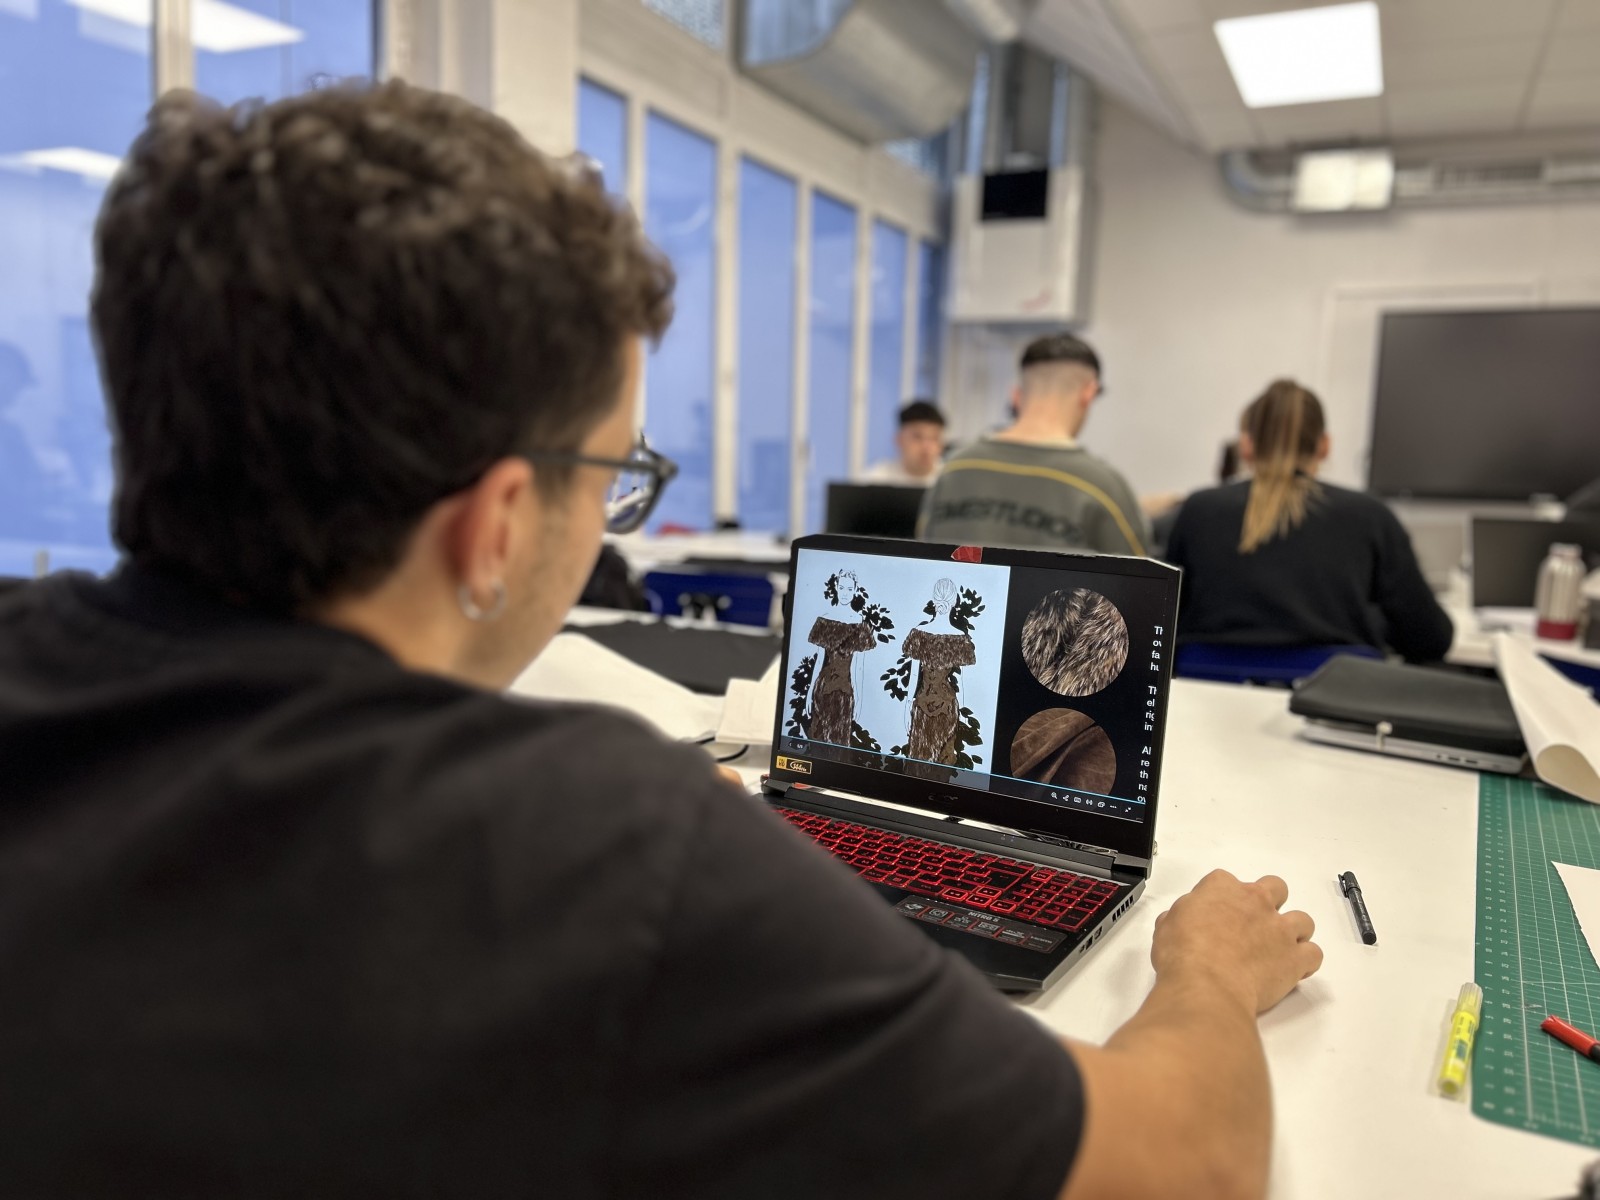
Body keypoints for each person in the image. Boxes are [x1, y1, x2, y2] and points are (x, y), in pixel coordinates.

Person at [0, 82, 1321, 1199]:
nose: (615, 503)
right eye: (616, 470)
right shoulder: (598, 855)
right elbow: (1189, 1166)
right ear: (501, 523)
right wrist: (1204, 976)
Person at [1165, 379, 1453, 661]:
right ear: (1324, 445)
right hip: (1330, 702)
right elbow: (1430, 639)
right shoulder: (1370, 516)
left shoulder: (1198, 510)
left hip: (1208, 697)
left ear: (1247, 445)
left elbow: (1165, 621)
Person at [919, 334, 1147, 555]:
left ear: (1017, 394)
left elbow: (919, 560)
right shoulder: (1102, 487)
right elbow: (1145, 585)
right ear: (1089, 392)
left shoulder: (954, 469)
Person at [861, 399, 946, 484]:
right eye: (917, 437)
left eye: (934, 438)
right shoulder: (875, 480)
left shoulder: (952, 480)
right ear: (899, 439)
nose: (926, 446)